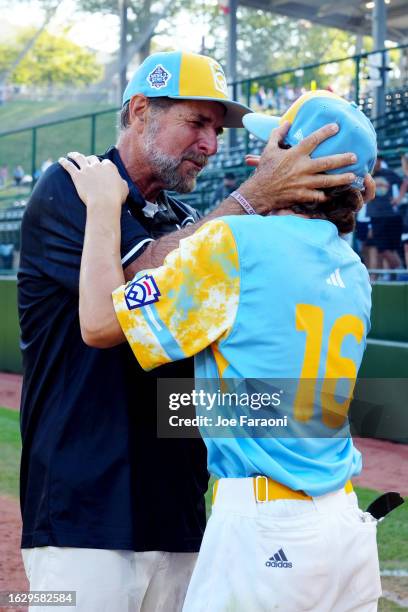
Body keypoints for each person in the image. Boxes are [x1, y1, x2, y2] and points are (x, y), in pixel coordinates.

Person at [19, 49, 372, 611]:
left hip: (182, 516)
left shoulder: (197, 228)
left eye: (217, 128)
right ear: (139, 111)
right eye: (197, 122)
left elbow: (186, 383)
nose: (211, 144)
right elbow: (121, 295)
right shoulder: (78, 187)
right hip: (84, 513)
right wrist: (253, 200)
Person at [366, 156, 403, 273]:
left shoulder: (388, 173)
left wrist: (399, 198)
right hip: (375, 216)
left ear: (380, 161)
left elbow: (404, 182)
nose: (375, 162)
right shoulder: (366, 175)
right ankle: (400, 270)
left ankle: (399, 273)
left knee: (391, 248)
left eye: (377, 160)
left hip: (391, 215)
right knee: (382, 249)